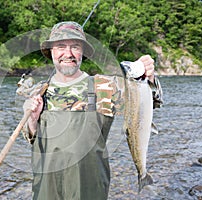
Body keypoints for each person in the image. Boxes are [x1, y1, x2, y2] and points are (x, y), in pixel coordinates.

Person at [21, 21, 163, 200]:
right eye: (61, 46)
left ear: (83, 52)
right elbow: (32, 138)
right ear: (51, 52)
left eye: (75, 47)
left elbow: (149, 102)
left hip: (90, 189)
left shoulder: (105, 86)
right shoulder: (38, 92)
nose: (68, 53)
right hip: (46, 188)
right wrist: (32, 120)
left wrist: (148, 76)